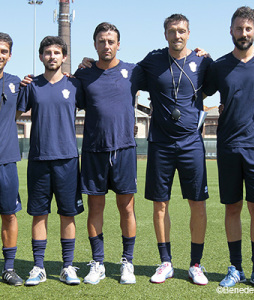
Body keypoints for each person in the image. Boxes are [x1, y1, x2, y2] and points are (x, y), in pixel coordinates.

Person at [202, 6, 254, 290]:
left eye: (248, 29)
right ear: (231, 31)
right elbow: (200, 89)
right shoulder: (220, 65)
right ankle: (235, 267)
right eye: (239, 29)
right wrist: (199, 58)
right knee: (233, 207)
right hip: (227, 145)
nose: (243, 34)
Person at [138, 14, 212, 285]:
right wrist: (88, 64)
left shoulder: (203, 62)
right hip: (161, 144)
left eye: (181, 31)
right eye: (172, 31)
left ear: (189, 33)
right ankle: (165, 262)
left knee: (198, 204)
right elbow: (122, 75)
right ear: (165, 33)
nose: (177, 36)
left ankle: (195, 264)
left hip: (191, 143)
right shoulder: (152, 60)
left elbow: (228, 77)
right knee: (160, 204)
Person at [74, 22, 147, 285]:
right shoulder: (83, 74)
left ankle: (127, 263)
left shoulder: (133, 71)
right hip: (94, 150)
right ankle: (98, 263)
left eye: (111, 41)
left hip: (125, 149)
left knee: (126, 208)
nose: (106, 45)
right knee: (96, 207)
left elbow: (165, 71)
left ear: (118, 44)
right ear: (95, 44)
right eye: (102, 41)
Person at [17, 36, 84, 286]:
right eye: (47, 52)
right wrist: (20, 84)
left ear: (64, 57)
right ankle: (38, 267)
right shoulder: (31, 86)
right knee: (39, 215)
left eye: (57, 52)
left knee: (68, 215)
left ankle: (68, 266)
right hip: (39, 159)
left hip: (67, 160)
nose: (52, 56)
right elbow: (15, 113)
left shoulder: (75, 85)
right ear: (41, 56)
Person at [0, 33, 23, 286]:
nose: (0, 55)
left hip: (6, 161)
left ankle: (8, 268)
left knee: (8, 215)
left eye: (4, 51)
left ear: (9, 55)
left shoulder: (16, 83)